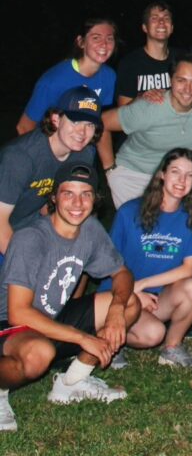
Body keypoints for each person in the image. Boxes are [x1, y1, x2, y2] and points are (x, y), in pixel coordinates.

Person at [0, 162, 143, 431]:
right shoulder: (31, 238)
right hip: (9, 325)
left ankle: (72, 382)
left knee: (130, 303)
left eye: (86, 194)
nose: (77, 203)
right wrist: (82, 338)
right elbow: (18, 312)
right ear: (54, 197)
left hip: (52, 318)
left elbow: (122, 274)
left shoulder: (89, 229)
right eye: (68, 193)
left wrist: (116, 310)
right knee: (38, 354)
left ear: (95, 198)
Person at [98, 148, 192, 368]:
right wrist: (132, 293)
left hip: (157, 300)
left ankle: (171, 348)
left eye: (190, 175)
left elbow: (188, 270)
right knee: (152, 333)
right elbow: (109, 265)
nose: (181, 180)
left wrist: (145, 285)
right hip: (119, 296)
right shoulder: (129, 212)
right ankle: (108, 337)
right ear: (162, 174)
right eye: (175, 172)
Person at [99, 53, 192, 208]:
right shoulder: (149, 108)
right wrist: (110, 170)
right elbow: (101, 122)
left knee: (166, 230)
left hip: (171, 178)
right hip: (132, 176)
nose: (187, 89)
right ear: (171, 80)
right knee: (138, 230)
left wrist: (190, 168)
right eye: (181, 80)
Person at [0, 87, 101, 258]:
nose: (82, 132)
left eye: (89, 124)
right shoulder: (20, 158)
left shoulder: (84, 154)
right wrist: (26, 267)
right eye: (75, 122)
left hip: (30, 227)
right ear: (56, 119)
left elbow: (57, 204)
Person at [16, 18, 117, 135]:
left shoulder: (109, 76)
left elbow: (97, 121)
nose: (104, 44)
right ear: (81, 42)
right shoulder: (53, 81)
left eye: (109, 39)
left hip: (83, 145)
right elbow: (23, 127)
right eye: (96, 38)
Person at [115, 1, 181, 106]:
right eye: (154, 18)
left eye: (166, 18)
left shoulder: (182, 59)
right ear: (145, 27)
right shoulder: (129, 63)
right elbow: (122, 109)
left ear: (172, 28)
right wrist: (141, 97)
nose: (161, 22)